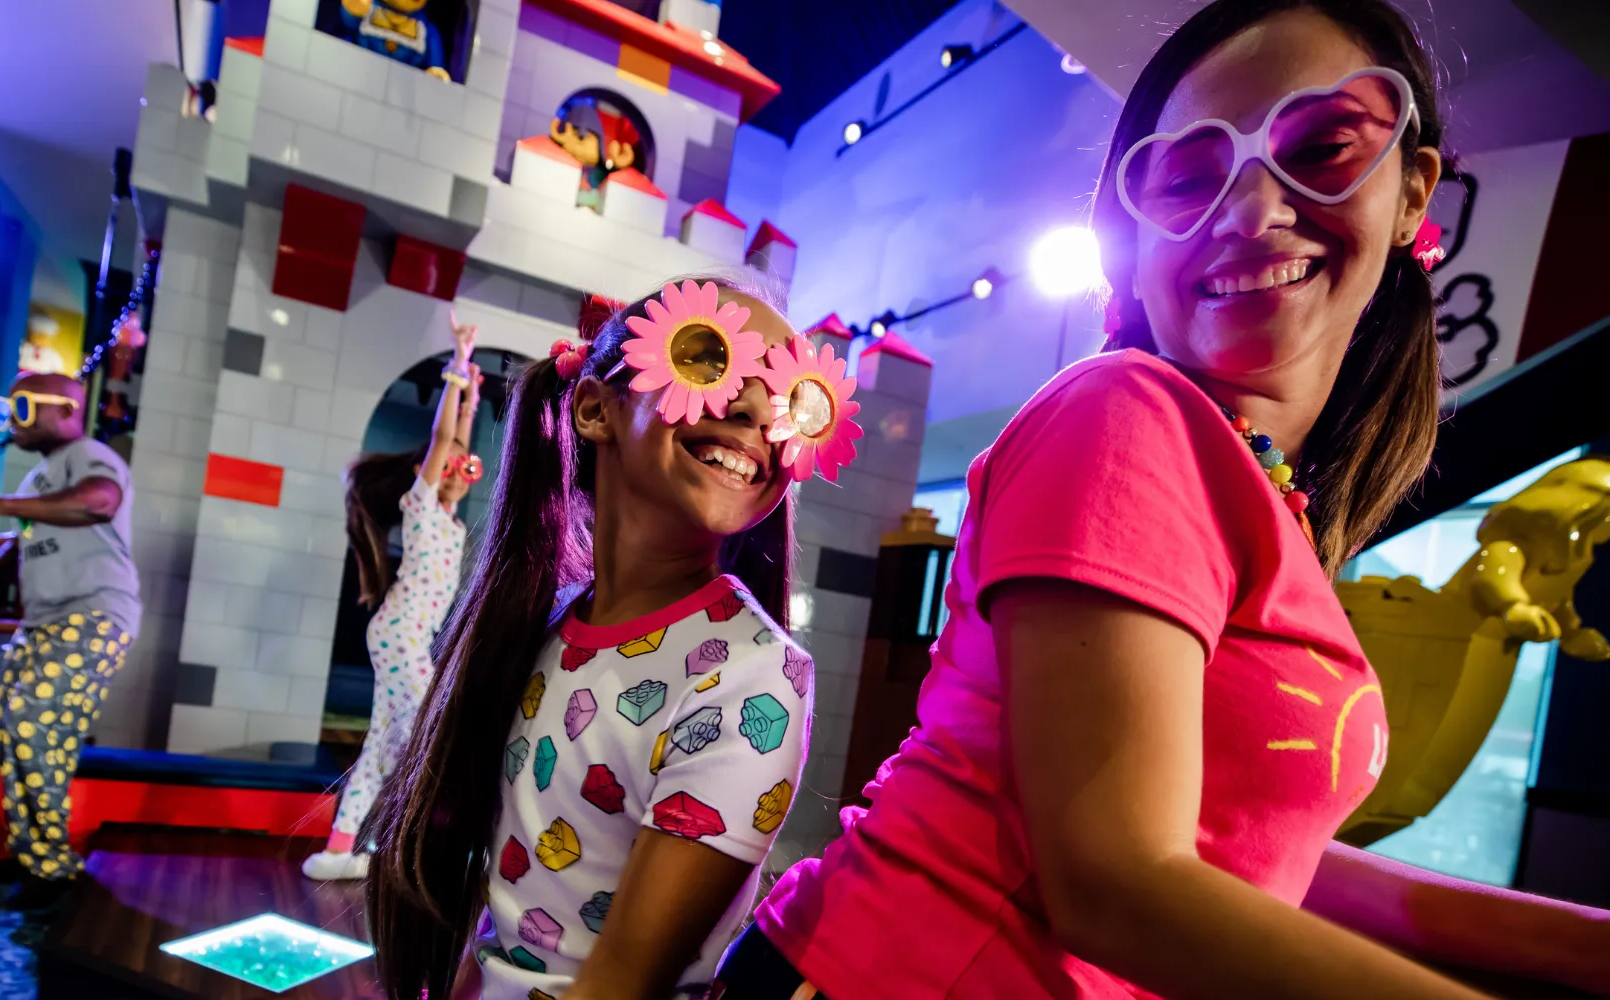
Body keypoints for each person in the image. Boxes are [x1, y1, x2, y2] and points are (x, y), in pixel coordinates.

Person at [727, 2, 1610, 997]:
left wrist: (1575, 942)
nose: (1248, 209)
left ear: (1411, 192)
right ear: (1131, 243)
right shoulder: (1121, 413)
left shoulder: (1266, 491)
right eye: (1186, 177)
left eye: (1320, 145)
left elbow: (1258, 861)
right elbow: (1117, 881)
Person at [367, 276, 864, 1000]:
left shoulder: (752, 677)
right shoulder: (548, 624)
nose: (758, 409)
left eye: (787, 394)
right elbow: (504, 911)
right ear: (597, 409)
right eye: (707, 358)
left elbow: (622, 982)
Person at [0, 372, 141, 910]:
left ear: (65, 409)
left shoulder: (87, 453)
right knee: (14, 734)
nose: (11, 419)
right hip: (42, 621)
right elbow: (28, 542)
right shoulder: (36, 481)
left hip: (93, 614)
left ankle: (53, 867)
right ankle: (29, 853)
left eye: (22, 406)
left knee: (32, 725)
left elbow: (99, 502)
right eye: (7, 406)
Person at [304, 318, 482, 882]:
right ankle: (409, 847)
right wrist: (456, 368)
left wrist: (473, 393)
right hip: (402, 633)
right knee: (426, 738)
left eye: (465, 466)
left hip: (402, 633)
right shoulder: (421, 505)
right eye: (449, 465)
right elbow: (441, 442)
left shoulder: (449, 518)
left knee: (384, 745)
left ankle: (342, 848)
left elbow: (457, 440)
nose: (459, 469)